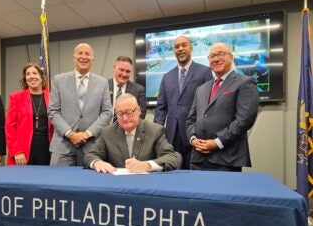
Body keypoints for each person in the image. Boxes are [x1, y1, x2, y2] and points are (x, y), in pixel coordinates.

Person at [186, 43, 259, 171]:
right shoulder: (201, 89)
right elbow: (190, 120)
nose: (216, 59)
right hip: (198, 159)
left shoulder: (245, 82)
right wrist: (193, 139)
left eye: (221, 54)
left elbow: (244, 120)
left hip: (226, 159)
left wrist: (217, 142)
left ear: (231, 57)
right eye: (212, 56)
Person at [48, 43, 112, 166]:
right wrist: (70, 134)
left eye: (87, 54)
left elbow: (107, 112)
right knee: (57, 184)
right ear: (74, 58)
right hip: (63, 146)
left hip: (92, 147)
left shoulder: (102, 82)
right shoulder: (59, 80)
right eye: (80, 53)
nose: (83, 56)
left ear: (92, 59)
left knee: (90, 185)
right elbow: (53, 111)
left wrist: (87, 134)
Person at [154, 35, 212, 169]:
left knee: (193, 175)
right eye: (176, 47)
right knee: (171, 173)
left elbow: (209, 105)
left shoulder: (204, 72)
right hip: (171, 135)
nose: (180, 49)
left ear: (191, 48)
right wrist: (156, 133)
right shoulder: (167, 77)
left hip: (195, 135)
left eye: (184, 45)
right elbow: (161, 108)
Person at [84, 93, 179, 173]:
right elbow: (90, 155)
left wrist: (146, 165)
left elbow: (171, 158)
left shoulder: (155, 131)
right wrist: (97, 162)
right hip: (117, 185)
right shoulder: (107, 133)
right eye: (120, 114)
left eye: (129, 112)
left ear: (138, 110)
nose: (125, 118)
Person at [5, 62, 53, 165]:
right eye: (28, 74)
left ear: (42, 77)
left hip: (47, 149)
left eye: (35, 73)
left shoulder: (52, 97)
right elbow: (10, 127)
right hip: (22, 150)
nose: (31, 76)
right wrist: (17, 151)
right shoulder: (16, 97)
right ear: (25, 79)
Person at [108, 55, 146, 120]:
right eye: (121, 70)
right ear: (114, 68)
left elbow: (141, 114)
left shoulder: (139, 90)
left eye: (128, 71)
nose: (124, 74)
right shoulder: (103, 86)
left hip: (127, 128)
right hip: (104, 128)